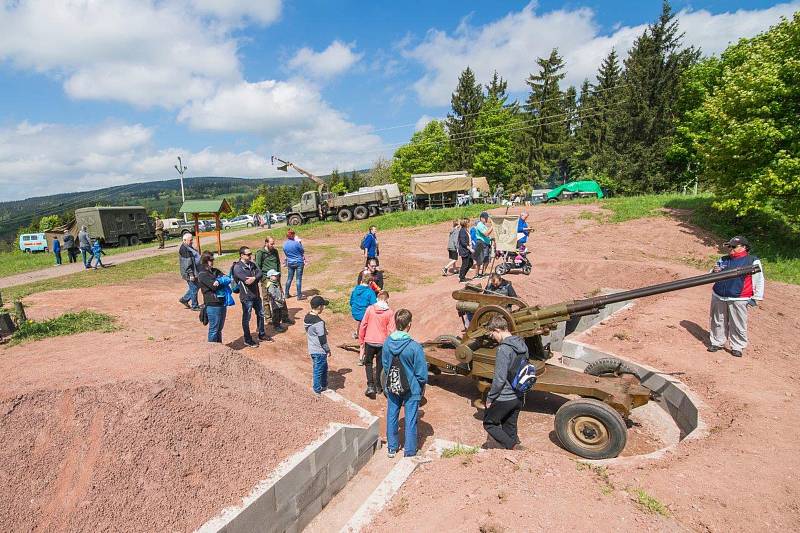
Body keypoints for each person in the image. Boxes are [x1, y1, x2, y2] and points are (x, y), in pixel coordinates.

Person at [708, 236, 765, 358]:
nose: (731, 249)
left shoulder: (752, 261)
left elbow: (759, 280)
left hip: (739, 297)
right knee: (718, 320)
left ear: (744, 247)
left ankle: (737, 346)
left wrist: (757, 297)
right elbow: (710, 274)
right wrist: (714, 271)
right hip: (719, 295)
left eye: (734, 246)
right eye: (729, 246)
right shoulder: (723, 259)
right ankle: (717, 342)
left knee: (738, 324)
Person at [382, 309, 428, 458]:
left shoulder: (387, 343)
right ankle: (409, 451)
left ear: (396, 323)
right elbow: (421, 374)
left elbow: (385, 365)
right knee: (411, 419)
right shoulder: (414, 347)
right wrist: (419, 385)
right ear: (409, 325)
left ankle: (392, 447)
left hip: (393, 385)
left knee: (392, 415)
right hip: (411, 388)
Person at [483, 315, 527, 450]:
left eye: (492, 335)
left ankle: (513, 446)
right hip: (519, 395)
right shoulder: (522, 344)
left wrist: (490, 398)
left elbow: (499, 379)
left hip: (505, 396)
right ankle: (515, 451)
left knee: (489, 423)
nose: (492, 338)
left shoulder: (504, 349)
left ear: (497, 330)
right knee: (510, 426)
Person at [359, 291, 396, 398]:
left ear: (378, 298)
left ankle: (370, 385)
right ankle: (379, 386)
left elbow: (363, 325)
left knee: (368, 363)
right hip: (382, 343)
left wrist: (361, 341)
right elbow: (391, 330)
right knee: (380, 364)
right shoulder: (389, 312)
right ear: (387, 299)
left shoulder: (370, 309)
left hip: (369, 341)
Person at [232, 246, 269, 347]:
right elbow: (246, 281)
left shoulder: (252, 264)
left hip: (256, 295)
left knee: (261, 314)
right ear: (242, 255)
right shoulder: (238, 267)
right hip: (246, 297)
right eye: (248, 254)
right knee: (246, 318)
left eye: (250, 254)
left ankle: (261, 334)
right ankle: (247, 339)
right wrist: (255, 278)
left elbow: (260, 273)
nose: (250, 256)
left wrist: (254, 278)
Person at [197, 251, 229, 343]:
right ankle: (212, 351)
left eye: (212, 260)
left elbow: (227, 279)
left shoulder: (215, 271)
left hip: (222, 302)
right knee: (214, 330)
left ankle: (220, 349)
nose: (212, 262)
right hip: (212, 304)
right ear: (205, 261)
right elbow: (213, 287)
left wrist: (219, 281)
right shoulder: (202, 274)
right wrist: (221, 281)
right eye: (210, 260)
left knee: (219, 328)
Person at [304, 295, 331, 394]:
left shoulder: (307, 317)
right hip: (320, 350)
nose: (323, 308)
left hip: (312, 348)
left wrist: (322, 330)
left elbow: (312, 330)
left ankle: (324, 384)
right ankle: (317, 388)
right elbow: (322, 339)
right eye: (323, 306)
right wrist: (327, 350)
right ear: (319, 307)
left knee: (323, 367)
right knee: (318, 369)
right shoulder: (319, 322)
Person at [256, 236, 281, 311]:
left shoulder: (275, 251)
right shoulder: (260, 253)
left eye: (273, 244)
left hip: (276, 276)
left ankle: (284, 316)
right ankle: (268, 318)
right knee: (266, 298)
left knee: (280, 295)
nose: (273, 246)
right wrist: (263, 278)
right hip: (266, 278)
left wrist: (279, 275)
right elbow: (257, 266)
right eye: (271, 244)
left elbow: (278, 263)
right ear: (266, 243)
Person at [178, 233, 201, 311]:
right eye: (190, 240)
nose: (192, 242)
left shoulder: (188, 247)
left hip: (194, 271)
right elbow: (187, 264)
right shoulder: (184, 249)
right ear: (184, 240)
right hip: (189, 273)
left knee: (195, 286)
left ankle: (184, 299)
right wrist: (191, 274)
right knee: (194, 287)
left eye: (192, 240)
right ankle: (195, 306)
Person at [266, 269, 293, 333]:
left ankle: (278, 325)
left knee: (279, 314)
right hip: (275, 303)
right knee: (276, 315)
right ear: (270, 276)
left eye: (277, 275)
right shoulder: (271, 285)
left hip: (279, 302)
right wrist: (280, 299)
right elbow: (273, 295)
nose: (277, 277)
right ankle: (276, 326)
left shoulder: (275, 283)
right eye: (275, 276)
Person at [283, 229, 306, 300]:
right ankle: (299, 295)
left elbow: (286, 253)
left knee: (289, 278)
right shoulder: (296, 243)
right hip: (299, 262)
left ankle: (286, 294)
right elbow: (302, 251)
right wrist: (300, 243)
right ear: (292, 235)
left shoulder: (285, 244)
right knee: (298, 279)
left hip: (290, 262)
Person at [474, 212, 494, 278]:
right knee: (480, 259)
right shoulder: (479, 225)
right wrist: (493, 226)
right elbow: (486, 234)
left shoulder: (483, 225)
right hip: (481, 244)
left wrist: (490, 239)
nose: (487, 219)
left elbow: (486, 236)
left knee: (486, 259)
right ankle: (477, 274)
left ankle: (483, 273)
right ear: (482, 218)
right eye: (486, 218)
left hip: (486, 244)